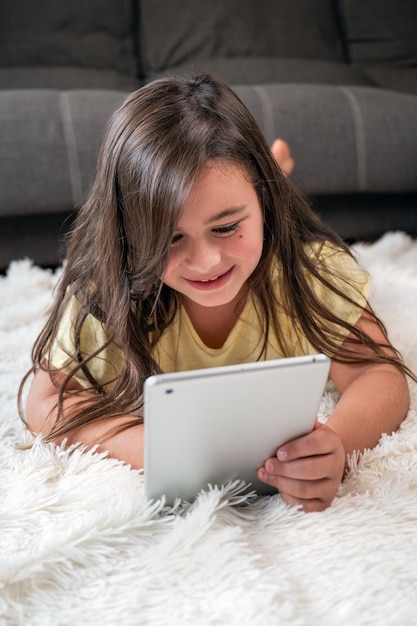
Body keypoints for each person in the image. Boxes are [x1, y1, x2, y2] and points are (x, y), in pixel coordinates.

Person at [20, 73, 412, 512]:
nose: (206, 262)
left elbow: (378, 374)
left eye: (226, 227)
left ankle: (274, 168)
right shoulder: (105, 292)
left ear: (262, 205)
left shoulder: (308, 270)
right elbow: (47, 402)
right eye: (170, 239)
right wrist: (157, 448)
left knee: (267, 177)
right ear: (129, 235)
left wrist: (337, 445)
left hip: (268, 197)